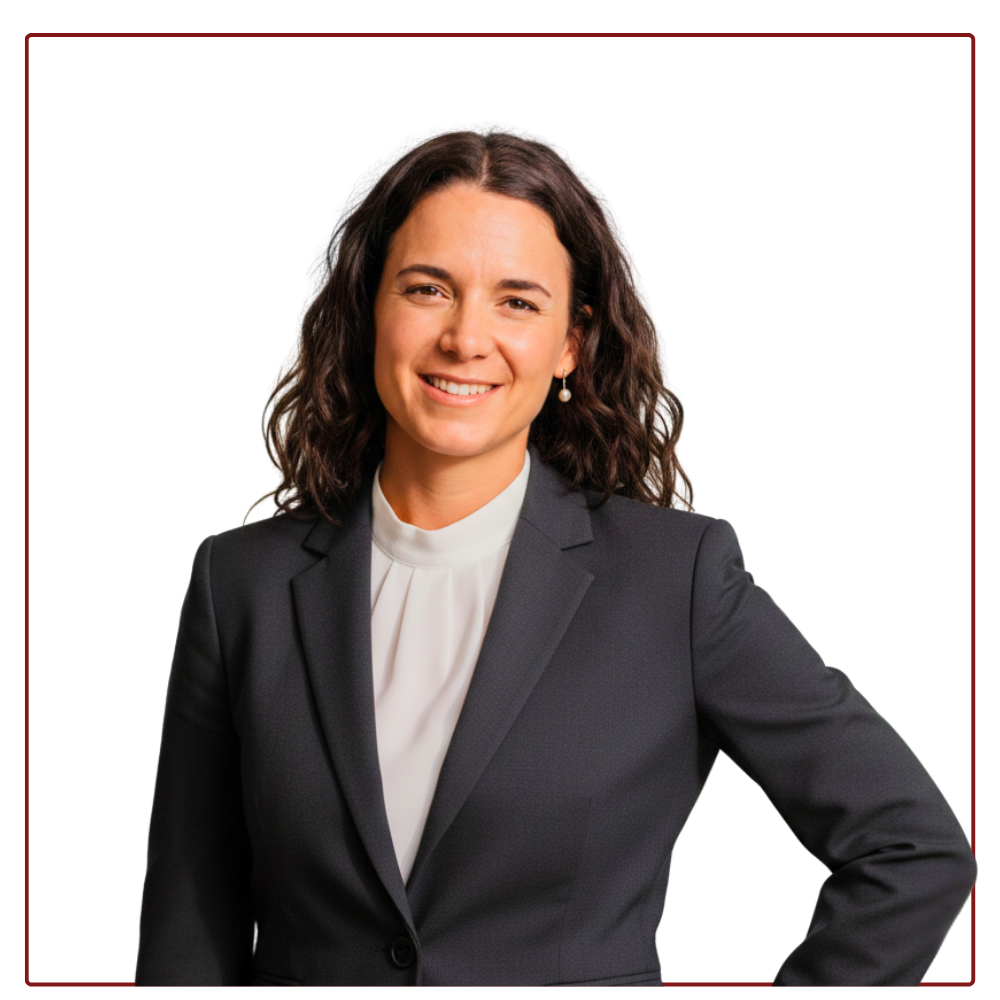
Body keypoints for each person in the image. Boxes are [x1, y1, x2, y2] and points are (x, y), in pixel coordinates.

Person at [135, 130, 976, 987]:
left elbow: (913, 851)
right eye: (428, 289)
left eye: (518, 302)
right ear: (370, 310)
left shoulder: (674, 585)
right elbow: (184, 936)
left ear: (571, 344)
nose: (466, 338)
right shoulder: (239, 586)